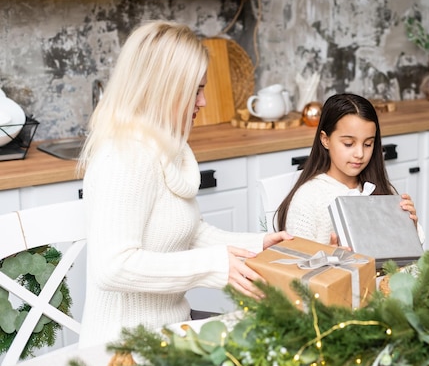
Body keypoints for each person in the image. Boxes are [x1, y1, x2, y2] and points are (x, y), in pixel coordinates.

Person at [77, 21, 291, 348]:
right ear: (164, 89)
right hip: (127, 348)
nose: (203, 102)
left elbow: (187, 233)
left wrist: (259, 244)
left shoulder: (163, 147)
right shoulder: (122, 157)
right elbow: (112, 267)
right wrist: (215, 266)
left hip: (174, 328)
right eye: (196, 90)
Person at [275, 93, 425, 245]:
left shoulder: (379, 190)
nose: (360, 154)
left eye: (368, 144)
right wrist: (332, 260)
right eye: (348, 143)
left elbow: (407, 257)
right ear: (325, 139)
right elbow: (298, 263)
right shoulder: (309, 198)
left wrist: (409, 228)